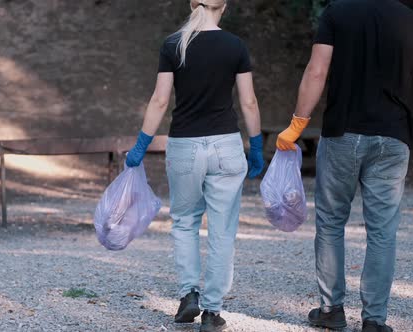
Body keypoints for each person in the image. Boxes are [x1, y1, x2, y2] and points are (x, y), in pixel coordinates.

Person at [125, 1, 263, 331]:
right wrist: (256, 147)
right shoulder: (235, 46)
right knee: (222, 229)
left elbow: (160, 100)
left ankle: (189, 295)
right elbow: (248, 101)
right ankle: (212, 312)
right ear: (224, 6)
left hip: (185, 145)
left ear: (192, 3)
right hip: (226, 146)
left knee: (185, 221)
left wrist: (142, 144)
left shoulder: (174, 44)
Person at [276, 1, 413, 331]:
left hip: (342, 133)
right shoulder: (408, 16)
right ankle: (375, 320)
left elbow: (317, 71)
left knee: (331, 221)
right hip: (394, 136)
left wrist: (297, 124)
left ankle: (331, 310)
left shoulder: (337, 12)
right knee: (382, 230)